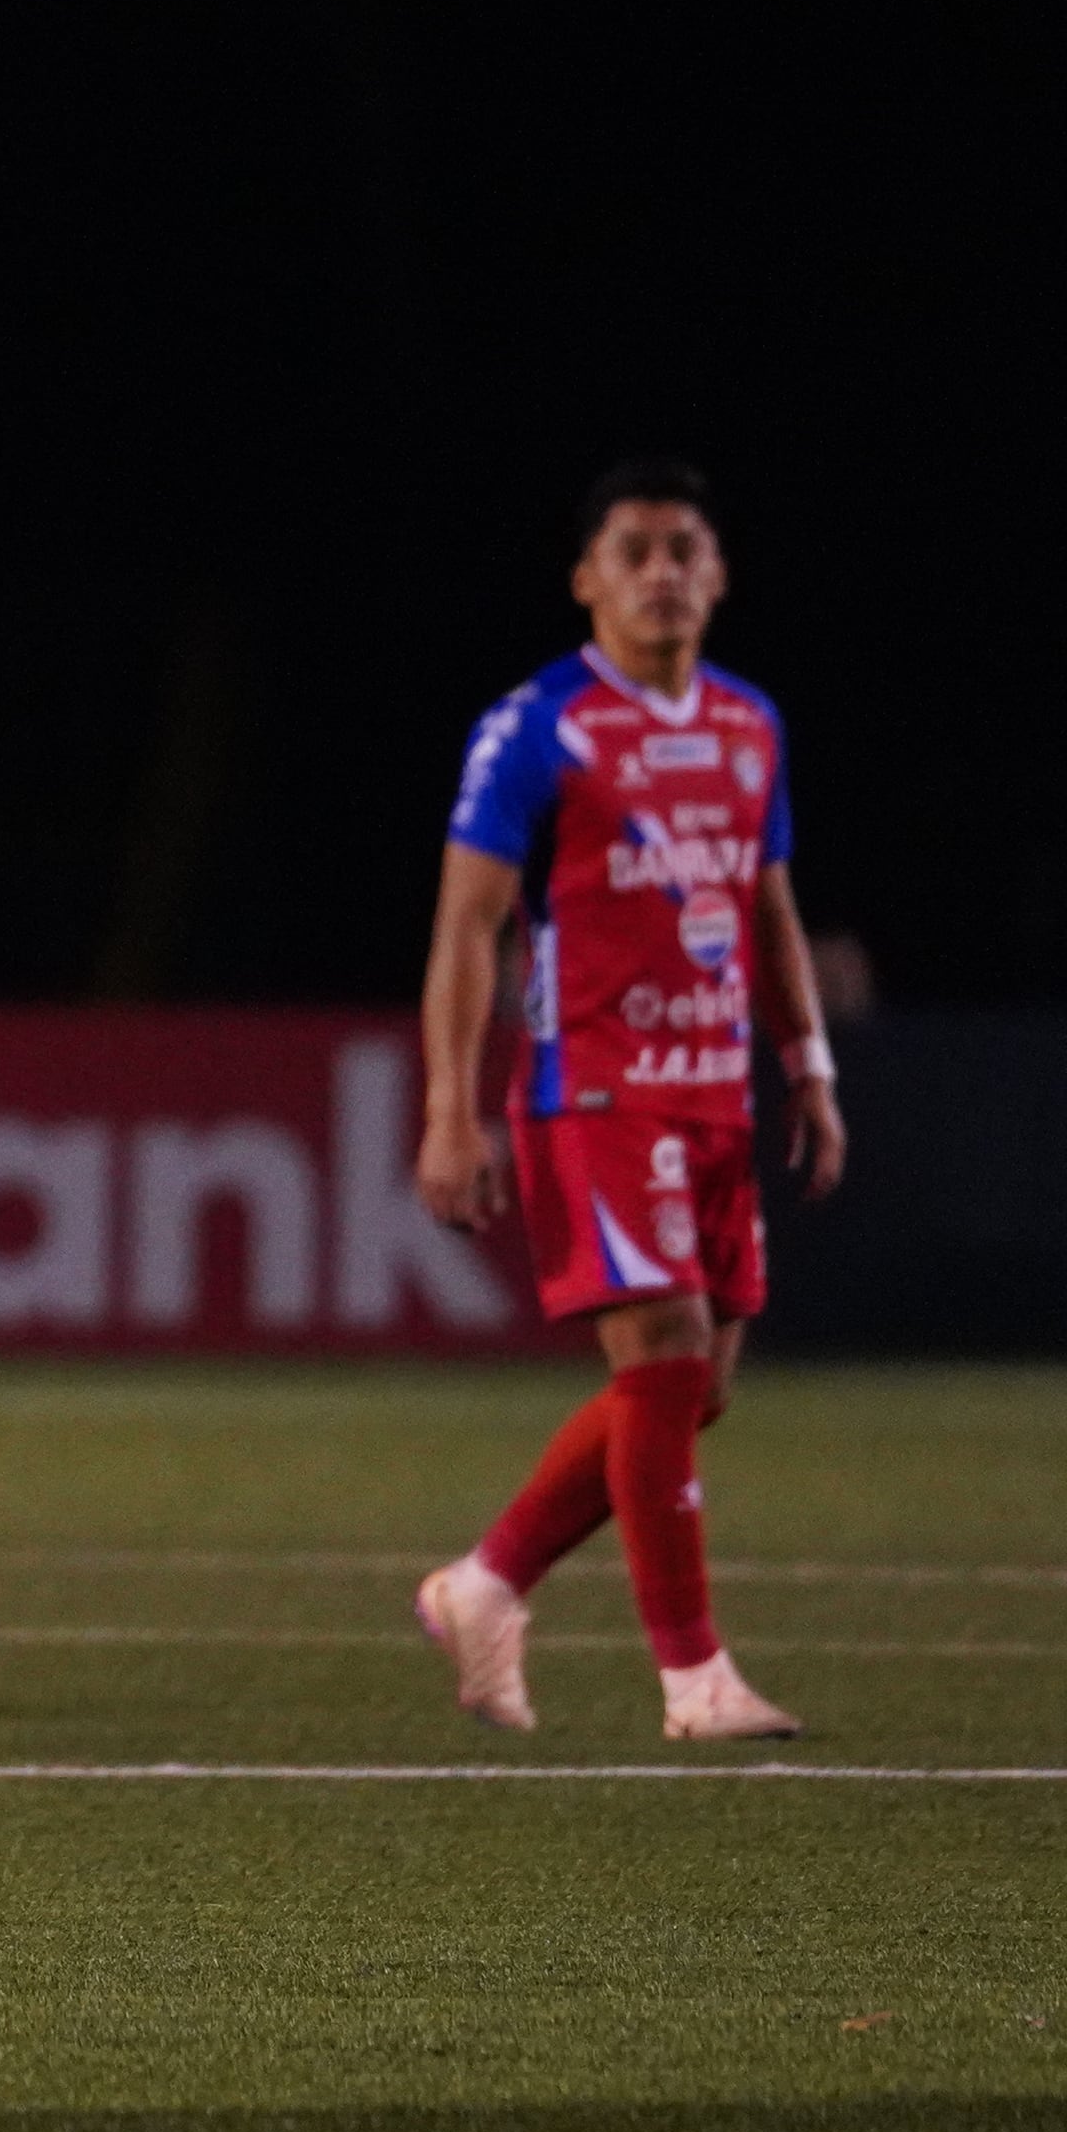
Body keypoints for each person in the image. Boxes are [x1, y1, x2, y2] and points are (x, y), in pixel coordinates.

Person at [413, 460, 844, 1742]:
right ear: (587, 578)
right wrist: (453, 1104)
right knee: (658, 1359)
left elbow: (768, 911)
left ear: (718, 574)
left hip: (712, 1090)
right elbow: (468, 925)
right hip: (593, 1087)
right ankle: (695, 1676)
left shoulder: (752, 723)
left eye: (684, 549)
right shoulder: (536, 724)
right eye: (635, 549)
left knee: (694, 1386)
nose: (661, 572)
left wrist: (808, 1061)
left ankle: (485, 1582)